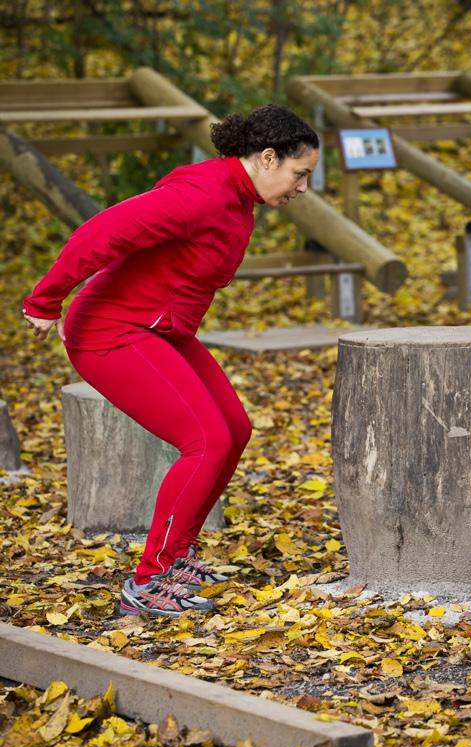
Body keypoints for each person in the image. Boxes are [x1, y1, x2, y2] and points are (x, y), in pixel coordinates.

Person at [22, 104, 319, 618]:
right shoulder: (201, 194)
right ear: (267, 158)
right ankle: (150, 580)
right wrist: (46, 300)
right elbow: (101, 233)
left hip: (159, 329)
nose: (303, 188)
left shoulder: (237, 195)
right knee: (207, 440)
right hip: (109, 333)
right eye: (299, 174)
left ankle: (176, 556)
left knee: (234, 428)